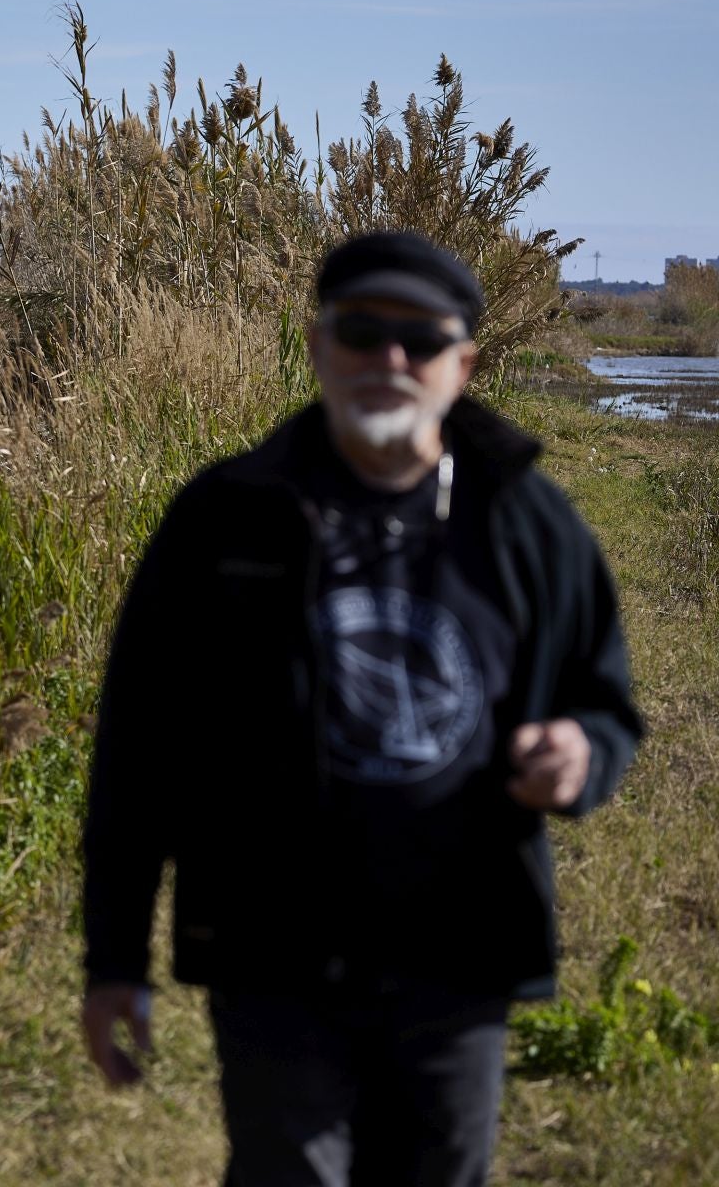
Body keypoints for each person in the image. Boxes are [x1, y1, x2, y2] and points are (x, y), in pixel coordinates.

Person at [78, 231, 644, 1187]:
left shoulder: (529, 521)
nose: (391, 359)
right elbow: (139, 752)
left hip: (461, 950)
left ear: (462, 364)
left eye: (420, 340)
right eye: (363, 331)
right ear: (317, 346)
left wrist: (582, 754)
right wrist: (114, 962)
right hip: (274, 951)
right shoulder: (224, 517)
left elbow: (607, 705)